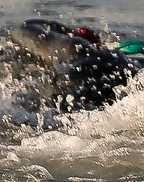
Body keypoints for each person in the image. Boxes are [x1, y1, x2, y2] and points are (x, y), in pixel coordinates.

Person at [10, 18, 143, 112]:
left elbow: (25, 29)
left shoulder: (74, 46)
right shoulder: (127, 62)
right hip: (126, 87)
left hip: (76, 84)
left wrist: (68, 31)